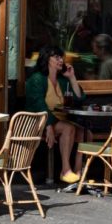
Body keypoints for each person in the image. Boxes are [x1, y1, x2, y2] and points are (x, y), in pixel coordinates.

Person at [25, 45, 89, 184]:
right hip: (40, 121)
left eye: (61, 57)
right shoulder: (37, 79)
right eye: (57, 57)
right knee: (68, 128)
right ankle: (65, 171)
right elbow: (38, 104)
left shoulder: (63, 80)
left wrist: (72, 78)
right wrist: (48, 126)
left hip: (60, 120)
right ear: (47, 59)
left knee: (85, 134)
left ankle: (78, 171)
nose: (61, 60)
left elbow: (79, 99)